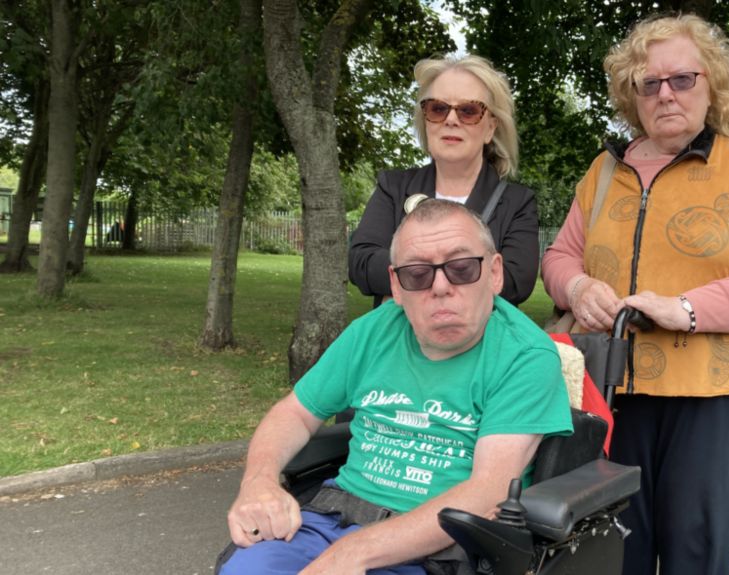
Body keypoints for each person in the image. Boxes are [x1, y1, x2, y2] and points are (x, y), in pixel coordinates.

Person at [541, 14, 729, 575]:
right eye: (649, 83)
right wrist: (578, 285)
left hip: (713, 396)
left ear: (713, 86)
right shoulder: (603, 171)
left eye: (682, 79)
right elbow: (559, 257)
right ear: (631, 95)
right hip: (609, 391)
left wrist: (685, 309)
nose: (666, 94)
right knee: (610, 548)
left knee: (696, 553)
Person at [220, 200, 572, 575]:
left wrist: (355, 551)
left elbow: (488, 490)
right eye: (417, 274)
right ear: (396, 285)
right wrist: (259, 482)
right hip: (333, 520)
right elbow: (294, 413)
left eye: (461, 268)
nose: (440, 286)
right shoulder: (371, 332)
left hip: (442, 545)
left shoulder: (524, 355)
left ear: (495, 272)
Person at [350, 55, 539, 307]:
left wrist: (411, 273)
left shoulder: (517, 203)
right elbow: (361, 262)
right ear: (425, 120)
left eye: (468, 111)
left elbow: (516, 281)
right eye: (438, 109)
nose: (451, 120)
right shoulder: (393, 187)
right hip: (399, 345)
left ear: (491, 128)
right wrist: (464, 269)